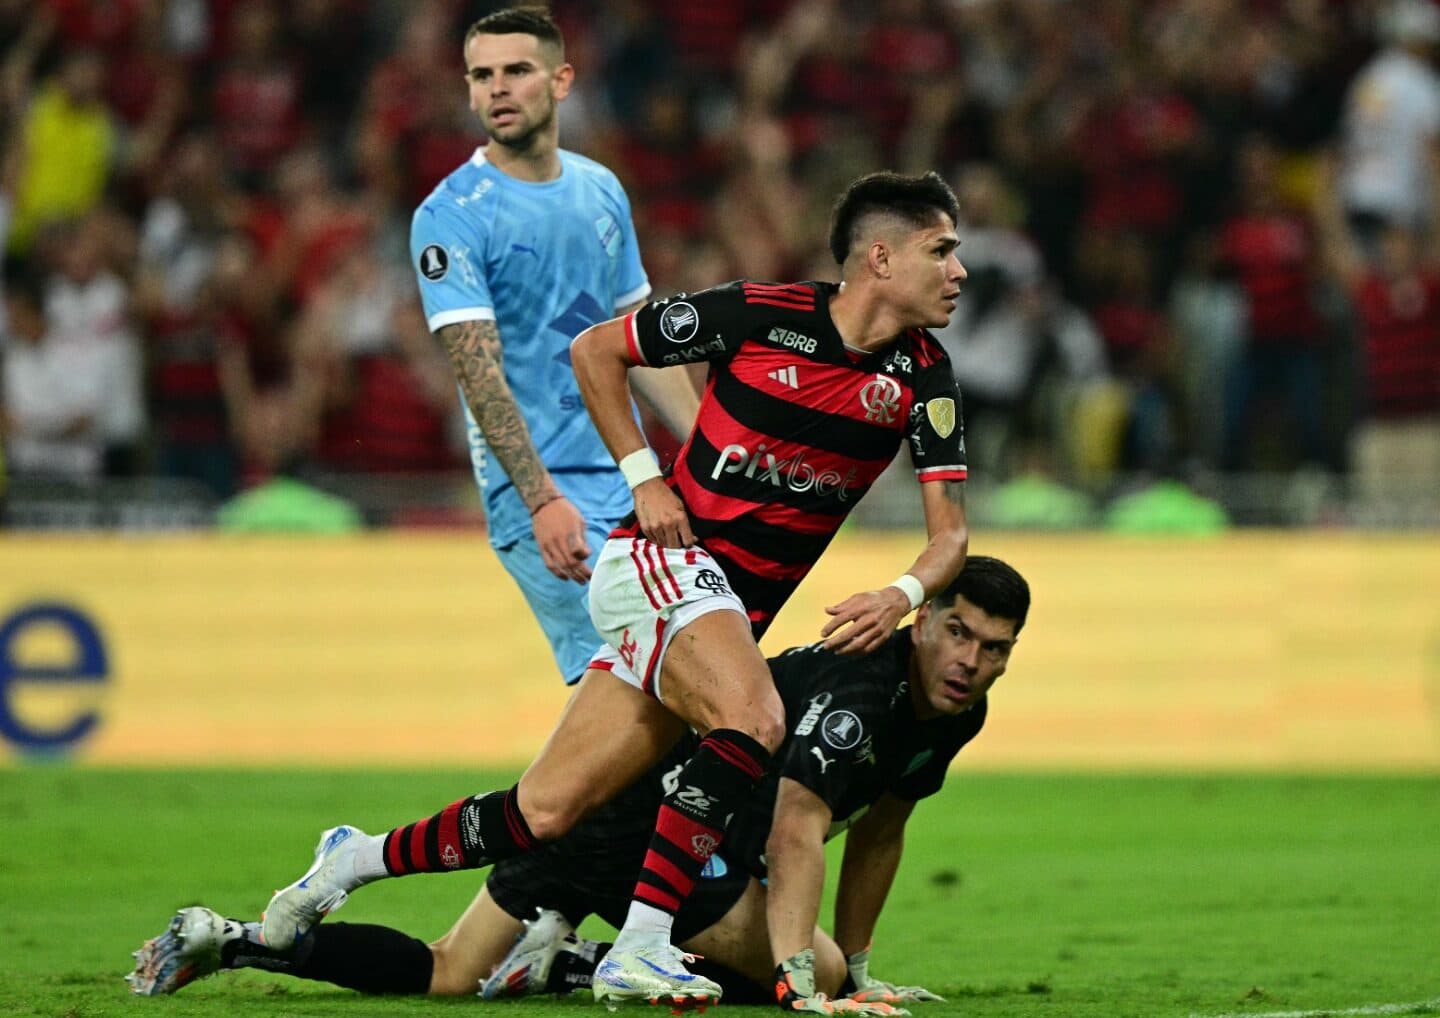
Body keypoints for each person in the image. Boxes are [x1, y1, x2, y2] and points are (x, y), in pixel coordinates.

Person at [260, 169, 971, 1009]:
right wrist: (644, 478)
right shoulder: (758, 312)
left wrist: (901, 593)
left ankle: (352, 858)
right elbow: (597, 349)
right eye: (942, 250)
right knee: (755, 719)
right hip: (660, 564)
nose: (959, 271)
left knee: (545, 812)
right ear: (881, 257)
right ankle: (640, 946)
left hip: (713, 617)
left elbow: (951, 538)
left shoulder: (924, 375)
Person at [130, 558, 1029, 1013]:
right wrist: (814, 982)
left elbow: (882, 830)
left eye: (994, 650)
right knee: (808, 965)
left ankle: (234, 941)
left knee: (449, 974)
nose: (970, 661)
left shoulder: (956, 712)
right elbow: (798, 833)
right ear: (921, 621)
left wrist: (863, 972)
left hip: (652, 827)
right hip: (661, 832)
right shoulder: (862, 696)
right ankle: (582, 961)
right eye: (957, 634)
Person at [408, 6, 698, 685]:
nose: (497, 89)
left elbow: (635, 336)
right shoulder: (450, 215)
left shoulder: (601, 190)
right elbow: (478, 374)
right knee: (647, 687)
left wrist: (708, 449)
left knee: (670, 688)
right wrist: (540, 501)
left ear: (562, 81)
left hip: (632, 481)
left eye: (516, 71)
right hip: (542, 493)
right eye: (481, 76)